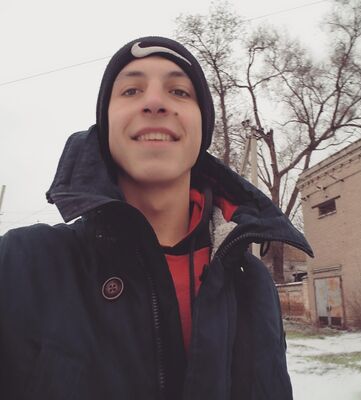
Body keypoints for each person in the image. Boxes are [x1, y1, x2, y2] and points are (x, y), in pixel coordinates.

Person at [0, 36, 312, 400]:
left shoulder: (254, 284)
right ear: (105, 125)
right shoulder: (20, 265)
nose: (154, 102)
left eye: (179, 92)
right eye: (131, 90)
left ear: (202, 129)